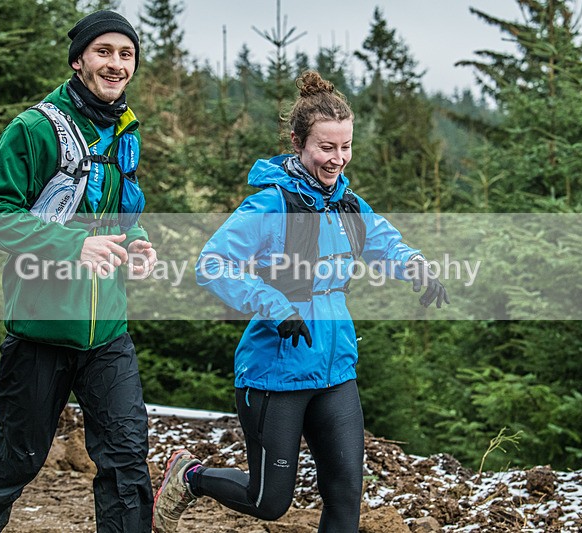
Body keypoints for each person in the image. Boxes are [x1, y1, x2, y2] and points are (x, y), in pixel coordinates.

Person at [151, 71, 449, 532]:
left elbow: (385, 243)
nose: (338, 159)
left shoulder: (348, 205)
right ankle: (191, 477)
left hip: (336, 368)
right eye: (326, 147)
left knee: (346, 495)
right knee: (269, 501)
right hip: (276, 372)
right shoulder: (271, 205)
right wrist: (274, 305)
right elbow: (212, 264)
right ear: (298, 142)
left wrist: (415, 264)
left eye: (346, 147)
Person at [0, 10, 157, 533]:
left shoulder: (124, 131)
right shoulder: (34, 128)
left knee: (127, 461)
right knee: (17, 459)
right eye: (104, 52)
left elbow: (115, 215)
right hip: (39, 331)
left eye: (126, 54)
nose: (116, 64)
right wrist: (74, 245)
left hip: (108, 331)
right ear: (78, 61)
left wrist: (135, 242)